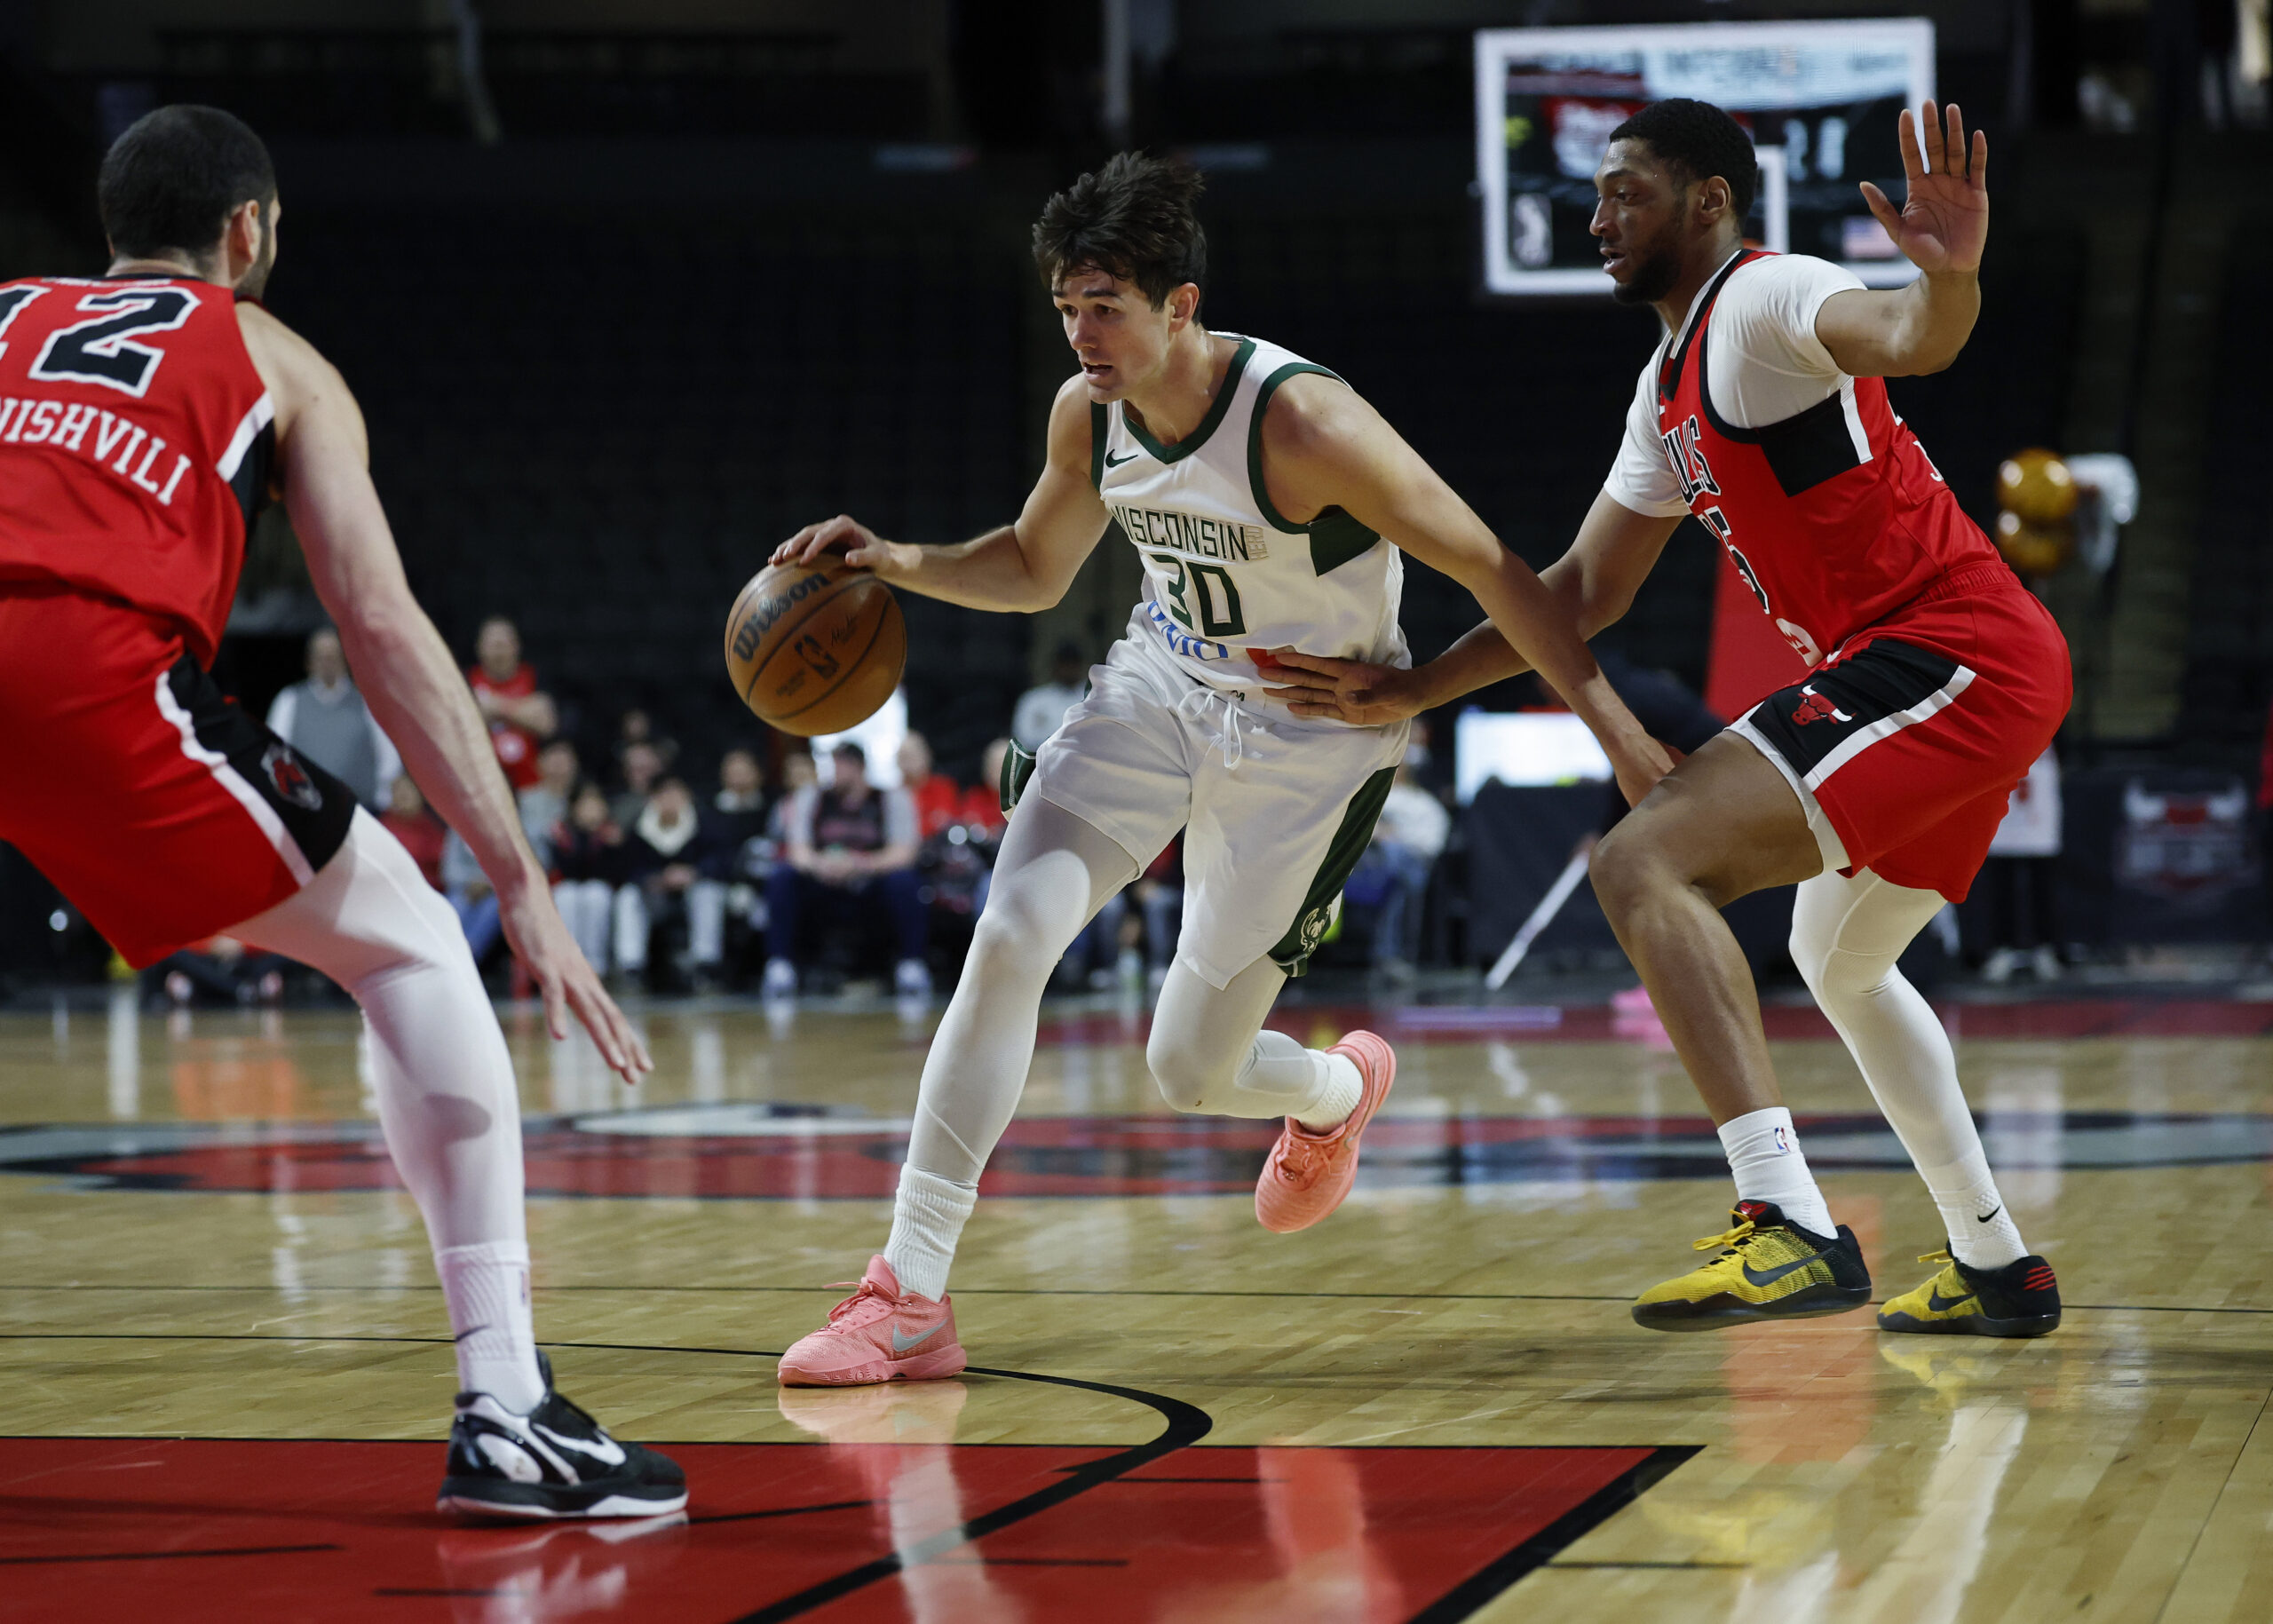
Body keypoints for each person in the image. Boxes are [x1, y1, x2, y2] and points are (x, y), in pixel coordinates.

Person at [764, 152, 1662, 1385]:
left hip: (1313, 731)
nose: (1081, 335)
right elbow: (1032, 567)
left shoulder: (1304, 424)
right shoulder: (1089, 410)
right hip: (1162, 685)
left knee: (1188, 1069)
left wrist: (1547, 717)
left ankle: (1335, 1092)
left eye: (1105, 307)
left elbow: (1504, 574)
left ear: (1180, 305)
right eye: (1066, 308)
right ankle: (908, 1292)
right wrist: (895, 560)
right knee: (1010, 933)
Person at [1271, 100, 2069, 1342]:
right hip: (1942, 665)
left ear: (1709, 199)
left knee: (1643, 860)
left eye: (1625, 192)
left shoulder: (1765, 298)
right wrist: (1414, 687)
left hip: (1949, 650)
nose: (1596, 218)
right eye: (1595, 195)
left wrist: (1949, 280)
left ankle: (1787, 1217)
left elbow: (1909, 334)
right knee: (1841, 961)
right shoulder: (1667, 386)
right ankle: (1995, 1263)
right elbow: (1584, 590)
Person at [0, 107, 681, 1515]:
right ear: (246, 231)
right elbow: (376, 623)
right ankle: (508, 1409)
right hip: (83, 673)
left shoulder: (5, 311)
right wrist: (521, 879)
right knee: (413, 942)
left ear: (112, 230)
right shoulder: (276, 354)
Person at [764, 741, 930, 998]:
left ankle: (912, 964)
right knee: (782, 876)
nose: (831, 773)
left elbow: (904, 853)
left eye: (837, 765)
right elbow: (798, 851)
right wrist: (821, 865)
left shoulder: (891, 798)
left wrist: (861, 863)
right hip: (823, 883)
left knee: (904, 881)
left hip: (871, 884)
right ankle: (780, 965)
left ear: (857, 767)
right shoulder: (812, 797)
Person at [265, 625, 400, 809]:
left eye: (333, 656)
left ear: (345, 659)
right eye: (321, 657)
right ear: (309, 662)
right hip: (305, 811)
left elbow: (389, 761)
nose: (327, 663)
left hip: (360, 810)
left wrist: (383, 801)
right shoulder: (290, 700)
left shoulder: (368, 702)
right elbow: (275, 755)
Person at [614, 775, 724, 989]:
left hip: (692, 889)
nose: (670, 800)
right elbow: (628, 866)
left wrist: (693, 873)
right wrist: (654, 878)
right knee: (628, 896)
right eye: (663, 794)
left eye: (676, 794)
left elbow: (719, 859)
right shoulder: (640, 826)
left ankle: (705, 964)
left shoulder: (703, 822)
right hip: (654, 894)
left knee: (708, 893)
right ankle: (631, 967)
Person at [467, 615, 555, 791]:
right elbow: (463, 722)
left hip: (531, 786)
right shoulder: (466, 680)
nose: (499, 651)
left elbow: (546, 724)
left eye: (504, 644)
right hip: (479, 786)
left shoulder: (535, 677)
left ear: (516, 646)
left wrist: (493, 706)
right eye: (493, 645)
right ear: (479, 648)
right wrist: (523, 711)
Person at [550, 781, 624, 977]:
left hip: (603, 890)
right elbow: (568, 871)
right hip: (572, 887)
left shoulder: (612, 832)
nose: (591, 810)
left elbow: (612, 873)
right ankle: (568, 962)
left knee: (595, 894)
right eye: (585, 804)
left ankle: (595, 962)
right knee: (566, 894)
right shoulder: (563, 833)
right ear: (574, 808)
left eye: (595, 804)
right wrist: (583, 838)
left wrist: (604, 841)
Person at [1013, 641, 1091, 751]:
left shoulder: (1095, 697)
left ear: (1081, 666)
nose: (1068, 668)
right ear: (1055, 665)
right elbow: (1023, 737)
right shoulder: (1034, 699)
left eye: (1073, 664)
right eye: (1064, 663)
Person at [518, 738, 579, 869]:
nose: (558, 764)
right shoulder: (524, 799)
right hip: (532, 866)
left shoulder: (582, 800)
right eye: (554, 758)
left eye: (564, 759)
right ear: (539, 762)